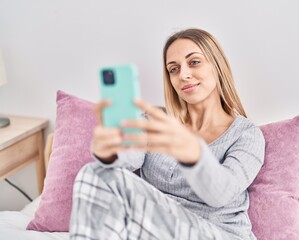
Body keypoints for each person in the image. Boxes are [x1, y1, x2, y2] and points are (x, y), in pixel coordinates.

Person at [69, 28, 265, 240]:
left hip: (219, 234)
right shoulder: (157, 121)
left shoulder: (246, 135)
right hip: (159, 232)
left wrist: (193, 154)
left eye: (194, 62)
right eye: (173, 69)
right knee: (95, 172)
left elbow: (222, 193)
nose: (184, 75)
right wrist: (109, 152)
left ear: (217, 66)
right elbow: (129, 157)